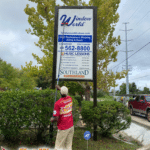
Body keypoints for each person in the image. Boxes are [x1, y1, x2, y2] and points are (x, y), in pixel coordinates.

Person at [50, 85, 74, 150]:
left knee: (59, 146)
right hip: (71, 126)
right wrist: (61, 89)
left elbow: (56, 118)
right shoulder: (70, 99)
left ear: (60, 93)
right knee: (68, 145)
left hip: (63, 127)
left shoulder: (57, 103)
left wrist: (52, 119)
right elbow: (66, 94)